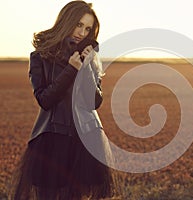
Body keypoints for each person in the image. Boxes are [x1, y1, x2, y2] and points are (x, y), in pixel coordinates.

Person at [10, 1, 116, 199]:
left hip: (85, 139)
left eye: (87, 29)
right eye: (78, 24)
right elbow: (45, 100)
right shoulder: (40, 57)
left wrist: (85, 68)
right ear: (66, 21)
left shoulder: (89, 58)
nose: (82, 33)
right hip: (52, 138)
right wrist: (71, 70)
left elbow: (94, 103)